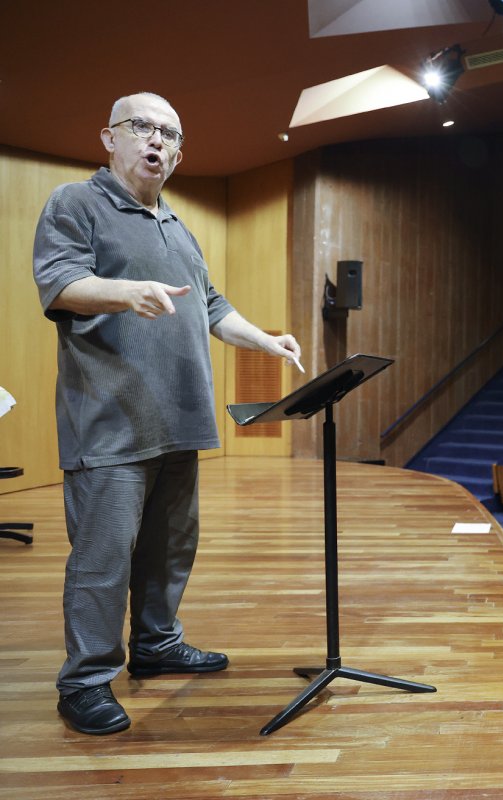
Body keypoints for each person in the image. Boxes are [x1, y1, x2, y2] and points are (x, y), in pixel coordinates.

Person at [32, 92, 303, 735]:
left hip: (178, 420)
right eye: (143, 128)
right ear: (110, 137)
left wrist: (263, 338)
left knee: (170, 548)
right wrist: (127, 293)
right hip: (108, 420)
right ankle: (86, 681)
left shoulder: (177, 227)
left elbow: (211, 306)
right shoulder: (76, 203)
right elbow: (60, 283)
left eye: (171, 135)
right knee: (103, 557)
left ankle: (156, 644)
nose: (158, 142)